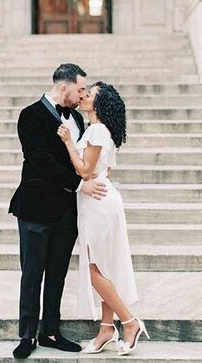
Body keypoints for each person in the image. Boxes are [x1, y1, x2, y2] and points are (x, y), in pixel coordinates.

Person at [9, 64, 108, 359]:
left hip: (67, 212)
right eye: (80, 89)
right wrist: (79, 185)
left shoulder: (78, 118)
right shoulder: (30, 115)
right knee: (32, 273)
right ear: (64, 87)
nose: (82, 96)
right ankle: (27, 334)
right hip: (35, 208)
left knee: (57, 273)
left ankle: (50, 331)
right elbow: (40, 160)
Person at [57, 82, 149, 356]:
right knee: (104, 267)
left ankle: (129, 322)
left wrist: (67, 144)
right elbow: (102, 169)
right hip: (100, 198)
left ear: (100, 104)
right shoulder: (99, 130)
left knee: (94, 268)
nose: (84, 96)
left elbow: (85, 171)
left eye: (90, 95)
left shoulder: (96, 130)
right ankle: (106, 328)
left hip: (97, 201)